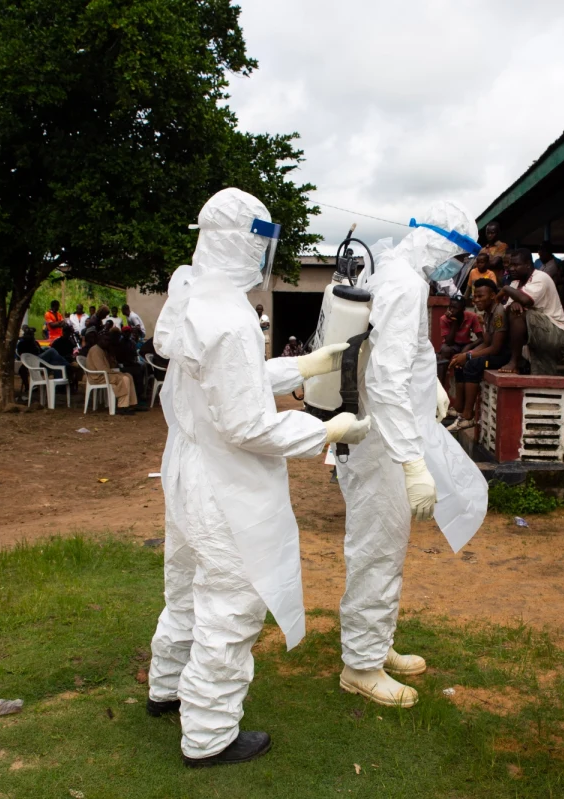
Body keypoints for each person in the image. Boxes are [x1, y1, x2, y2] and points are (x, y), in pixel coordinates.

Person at [145, 187, 367, 767]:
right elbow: (247, 424)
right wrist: (326, 431)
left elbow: (229, 380)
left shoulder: (194, 292)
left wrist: (304, 364)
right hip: (222, 482)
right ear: (248, 245)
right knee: (231, 600)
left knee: (185, 589)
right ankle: (209, 736)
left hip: (186, 469)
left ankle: (167, 686)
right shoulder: (229, 318)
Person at [335, 201, 488, 709]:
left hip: (383, 436)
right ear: (445, 246)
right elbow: (385, 381)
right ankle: (360, 666)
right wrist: (411, 461)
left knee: (384, 547)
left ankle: (374, 647)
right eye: (459, 258)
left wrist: (433, 391)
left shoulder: (396, 274)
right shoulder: (405, 285)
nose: (457, 270)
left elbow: (398, 356)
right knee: (376, 550)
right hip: (384, 445)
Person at [446, 279, 510, 432]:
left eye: (481, 296)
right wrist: (466, 354)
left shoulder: (499, 314)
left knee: (472, 365)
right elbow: (486, 343)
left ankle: (468, 417)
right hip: (493, 352)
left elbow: (495, 348)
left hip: (502, 357)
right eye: (475, 297)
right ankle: (460, 409)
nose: (476, 300)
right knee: (460, 362)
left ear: (493, 296)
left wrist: (469, 357)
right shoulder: (487, 314)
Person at [498, 249, 564, 375]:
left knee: (518, 314)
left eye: (516, 265)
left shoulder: (540, 277)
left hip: (556, 333)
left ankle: (514, 361)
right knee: (541, 379)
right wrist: (513, 302)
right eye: (510, 265)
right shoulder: (515, 283)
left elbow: (525, 300)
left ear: (528, 264)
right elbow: (508, 308)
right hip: (539, 332)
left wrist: (505, 288)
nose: (511, 268)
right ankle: (513, 359)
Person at [83, 328, 141, 414]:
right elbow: (102, 368)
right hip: (98, 377)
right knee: (124, 378)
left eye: (108, 341)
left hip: (106, 374)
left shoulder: (104, 350)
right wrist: (117, 372)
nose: (107, 342)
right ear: (99, 340)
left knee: (128, 375)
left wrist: (111, 355)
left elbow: (112, 365)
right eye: (105, 340)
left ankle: (131, 404)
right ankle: (122, 406)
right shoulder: (95, 350)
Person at [436, 295, 481, 390]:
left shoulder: (471, 316)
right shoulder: (444, 319)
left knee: (471, 354)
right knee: (444, 351)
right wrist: (454, 322)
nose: (451, 310)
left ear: (463, 309)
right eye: (450, 307)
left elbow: (481, 338)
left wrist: (470, 345)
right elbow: (448, 342)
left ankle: (464, 380)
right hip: (452, 345)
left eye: (455, 308)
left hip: (466, 344)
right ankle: (440, 386)